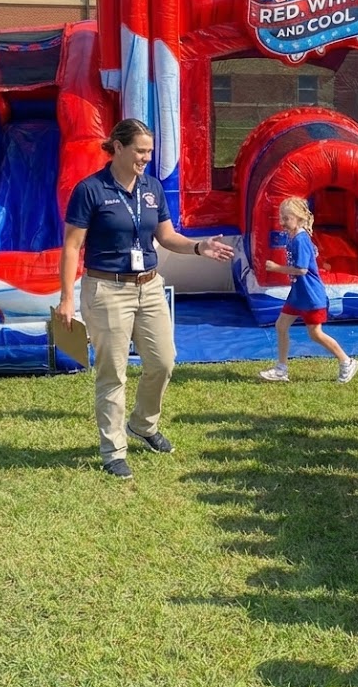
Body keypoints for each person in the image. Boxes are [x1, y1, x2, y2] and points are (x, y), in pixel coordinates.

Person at [58, 118, 234, 480]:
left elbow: (167, 237)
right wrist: (65, 299)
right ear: (118, 147)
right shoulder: (90, 190)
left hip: (150, 286)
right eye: (140, 150)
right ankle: (113, 450)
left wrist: (200, 247)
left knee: (164, 362)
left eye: (150, 151)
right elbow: (72, 247)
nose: (146, 158)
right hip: (107, 290)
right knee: (113, 373)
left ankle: (143, 423)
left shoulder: (151, 188)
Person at [259, 197, 358, 385]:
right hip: (298, 293)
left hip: (310, 294)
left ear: (298, 218)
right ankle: (281, 369)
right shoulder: (295, 237)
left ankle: (347, 361)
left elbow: (302, 269)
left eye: (286, 218)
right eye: (281, 218)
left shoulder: (300, 239)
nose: (282, 222)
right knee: (281, 326)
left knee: (315, 333)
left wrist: (276, 268)